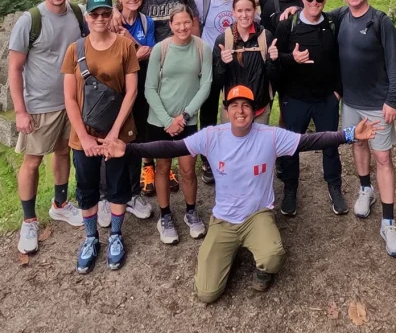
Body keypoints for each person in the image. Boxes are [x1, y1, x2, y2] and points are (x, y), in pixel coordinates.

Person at [98, 86, 380, 303]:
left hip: (258, 215)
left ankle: (259, 265)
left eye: (246, 105)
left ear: (255, 110)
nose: (241, 111)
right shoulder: (212, 136)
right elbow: (172, 148)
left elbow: (310, 140)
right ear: (226, 110)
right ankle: (227, 252)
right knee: (206, 294)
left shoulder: (269, 135)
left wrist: (350, 134)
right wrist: (131, 150)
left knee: (272, 257)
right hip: (223, 220)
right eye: (235, 106)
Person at [8, 0, 85, 255]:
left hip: (71, 101)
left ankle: (61, 204)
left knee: (64, 152)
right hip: (40, 105)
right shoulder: (31, 20)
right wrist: (20, 111)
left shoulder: (77, 15)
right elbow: (15, 68)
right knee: (32, 161)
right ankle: (28, 220)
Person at [60, 0, 140, 272]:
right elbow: (70, 97)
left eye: (105, 13)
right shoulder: (75, 49)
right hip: (85, 133)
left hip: (117, 132)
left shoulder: (124, 47)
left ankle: (116, 235)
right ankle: (91, 237)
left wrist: (116, 132)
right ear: (87, 17)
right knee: (87, 187)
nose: (101, 19)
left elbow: (131, 92)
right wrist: (82, 137)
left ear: (111, 15)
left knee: (118, 187)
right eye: (95, 14)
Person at [333, 0, 396, 257]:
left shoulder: (381, 22)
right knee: (357, 144)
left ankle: (388, 222)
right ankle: (366, 189)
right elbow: (313, 9)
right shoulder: (341, 17)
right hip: (351, 101)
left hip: (377, 103)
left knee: (384, 157)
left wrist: (393, 100)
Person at [114, 0, 197, 196]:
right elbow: (118, 3)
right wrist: (115, 9)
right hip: (141, 73)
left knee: (162, 116)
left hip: (170, 67)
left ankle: (163, 162)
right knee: (144, 121)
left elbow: (193, 20)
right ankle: (149, 166)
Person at [273, 0, 346, 217]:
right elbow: (275, 58)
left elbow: (339, 60)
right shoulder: (288, 25)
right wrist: (291, 59)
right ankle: (291, 189)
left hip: (326, 98)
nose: (314, 2)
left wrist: (337, 93)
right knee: (291, 146)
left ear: (325, 1)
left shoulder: (332, 24)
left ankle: (334, 186)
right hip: (295, 99)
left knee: (330, 145)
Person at [144, 5, 213, 244]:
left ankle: (191, 212)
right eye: (178, 23)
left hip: (188, 121)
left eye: (187, 23)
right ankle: (165, 215)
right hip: (159, 122)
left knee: (187, 170)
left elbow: (206, 85)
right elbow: (149, 88)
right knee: (162, 169)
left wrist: (184, 117)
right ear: (171, 25)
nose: (183, 27)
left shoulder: (203, 48)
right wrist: (167, 121)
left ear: (192, 23)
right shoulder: (160, 49)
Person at [94, 0, 155, 227]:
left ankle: (131, 193)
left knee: (134, 139)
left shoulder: (145, 21)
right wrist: (134, 54)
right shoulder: (108, 21)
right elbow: (107, 54)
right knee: (108, 139)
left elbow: (147, 51)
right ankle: (105, 196)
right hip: (111, 90)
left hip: (137, 87)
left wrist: (128, 44)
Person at [194, 0, 242, 185]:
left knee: (236, 104)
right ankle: (207, 158)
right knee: (209, 110)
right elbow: (194, 23)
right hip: (210, 60)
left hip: (235, 59)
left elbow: (255, 19)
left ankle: (235, 152)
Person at [212, 0, 279, 126]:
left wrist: (273, 60)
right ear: (233, 13)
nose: (244, 15)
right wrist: (223, 64)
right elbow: (217, 82)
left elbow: (274, 78)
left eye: (248, 10)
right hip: (232, 110)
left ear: (255, 11)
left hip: (259, 110)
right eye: (240, 11)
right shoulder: (223, 40)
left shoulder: (265, 37)